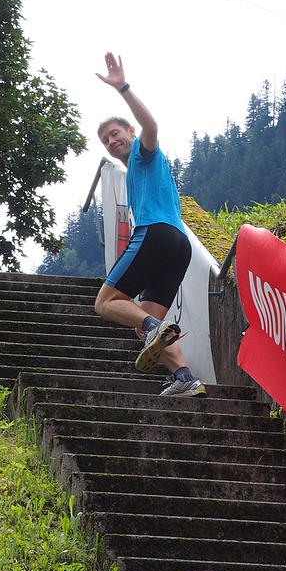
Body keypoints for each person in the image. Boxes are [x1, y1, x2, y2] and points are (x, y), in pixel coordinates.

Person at [94, 53, 205, 397]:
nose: (112, 142)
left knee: (105, 302)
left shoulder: (144, 155)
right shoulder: (137, 172)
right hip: (179, 245)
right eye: (106, 141)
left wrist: (123, 87)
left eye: (115, 134)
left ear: (130, 131)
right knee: (145, 326)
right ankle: (185, 377)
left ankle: (156, 328)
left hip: (156, 234)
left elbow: (152, 127)